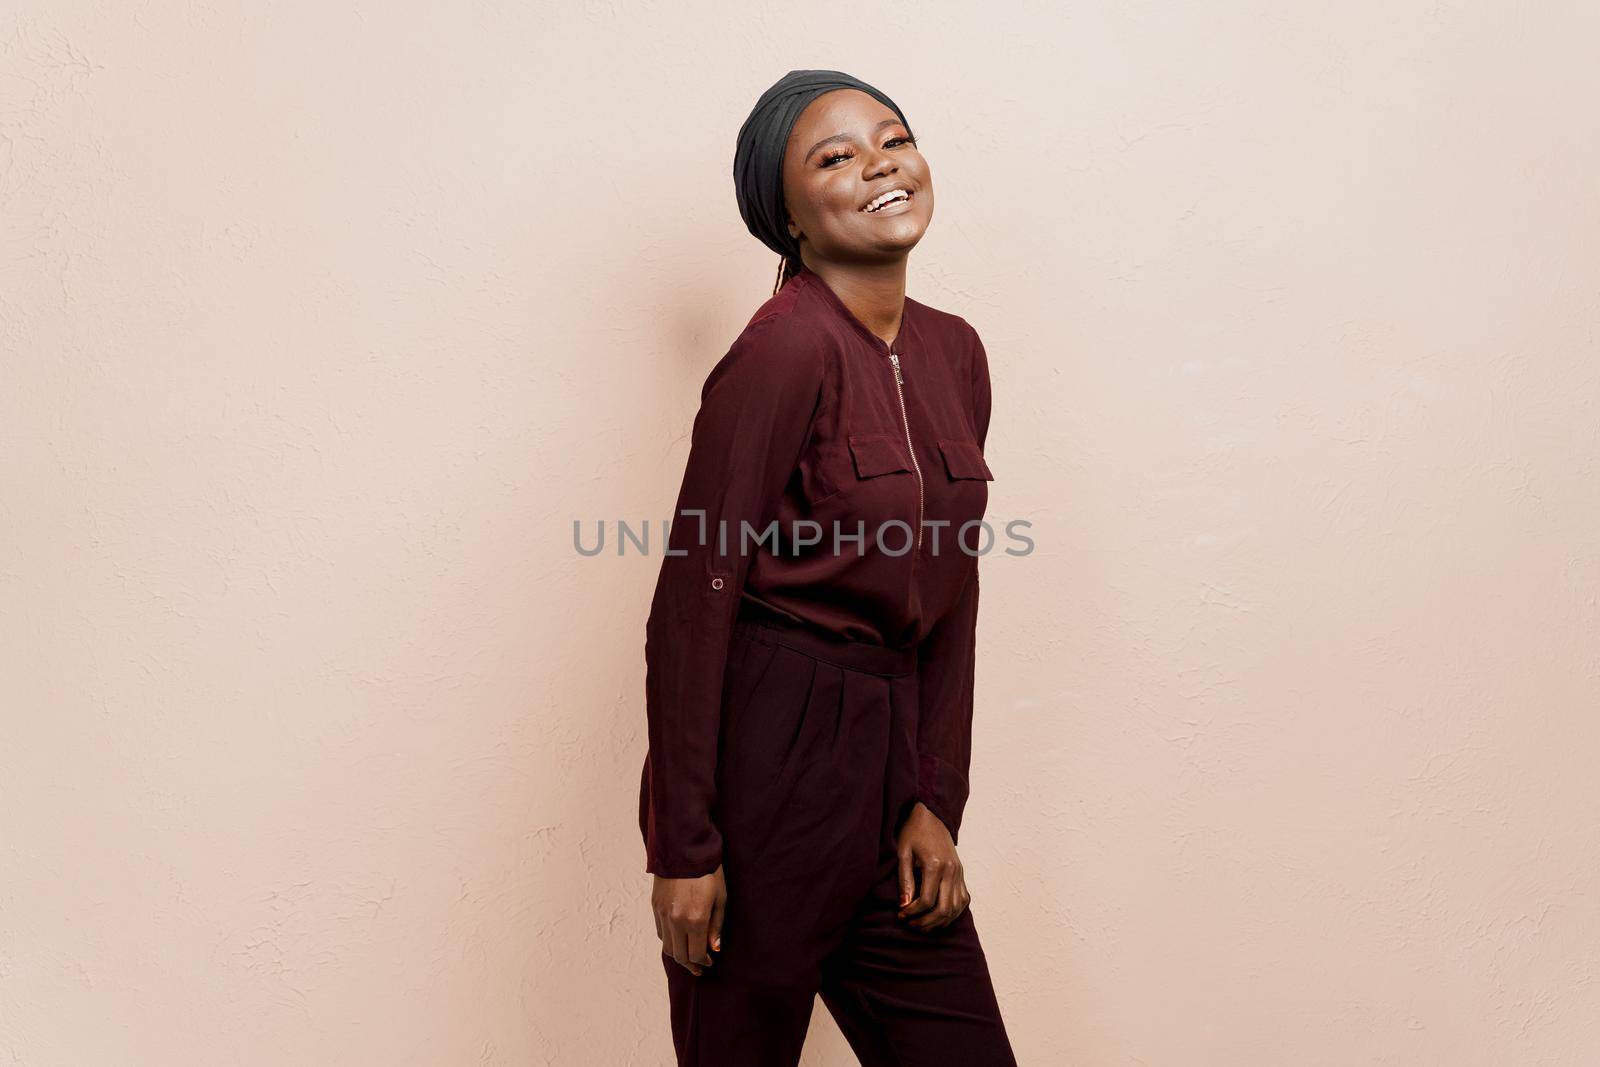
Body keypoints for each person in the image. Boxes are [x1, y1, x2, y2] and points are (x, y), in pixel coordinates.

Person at [637, 68, 1017, 1066]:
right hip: (772, 758)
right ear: (787, 215)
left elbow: (954, 593)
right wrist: (684, 845)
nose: (877, 165)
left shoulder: (957, 353)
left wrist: (937, 792)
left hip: (893, 760)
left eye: (891, 138)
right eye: (835, 156)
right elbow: (692, 600)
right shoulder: (782, 349)